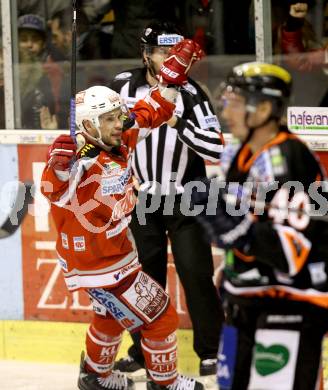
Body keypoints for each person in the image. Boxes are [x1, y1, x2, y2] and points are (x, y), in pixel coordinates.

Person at [41, 39, 206, 390]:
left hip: (111, 258)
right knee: (160, 316)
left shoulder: (119, 138)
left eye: (119, 116)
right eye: (109, 119)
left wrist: (172, 77)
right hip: (101, 264)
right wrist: (57, 163)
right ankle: (165, 383)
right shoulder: (78, 161)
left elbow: (151, 109)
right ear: (88, 125)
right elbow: (52, 188)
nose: (120, 124)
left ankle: (94, 376)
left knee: (110, 317)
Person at [192, 62, 328, 390]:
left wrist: (240, 232)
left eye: (235, 102)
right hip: (246, 301)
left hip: (291, 303)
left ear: (264, 108)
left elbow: (291, 252)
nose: (226, 111)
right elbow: (240, 227)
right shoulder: (236, 154)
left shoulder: (290, 157)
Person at [110, 21, 225, 379]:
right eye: (163, 51)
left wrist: (177, 122)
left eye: (175, 52)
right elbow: (100, 127)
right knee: (144, 282)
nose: (171, 58)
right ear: (146, 54)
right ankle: (143, 353)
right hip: (142, 198)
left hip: (186, 196)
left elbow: (215, 147)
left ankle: (211, 352)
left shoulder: (192, 92)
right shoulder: (121, 86)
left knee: (196, 276)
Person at [17, 13, 57, 129]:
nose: (29, 45)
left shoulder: (52, 69)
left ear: (43, 43)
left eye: (35, 39)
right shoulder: (7, 68)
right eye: (23, 39)